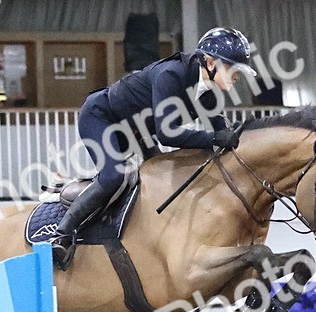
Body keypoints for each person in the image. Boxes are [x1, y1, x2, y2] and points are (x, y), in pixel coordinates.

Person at [52, 27, 258, 268]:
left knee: (164, 178)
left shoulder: (209, 94)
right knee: (114, 177)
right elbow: (167, 134)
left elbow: (223, 133)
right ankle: (64, 234)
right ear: (211, 62)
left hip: (139, 131)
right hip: (102, 118)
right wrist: (213, 138)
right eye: (233, 69)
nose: (237, 77)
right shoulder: (171, 75)